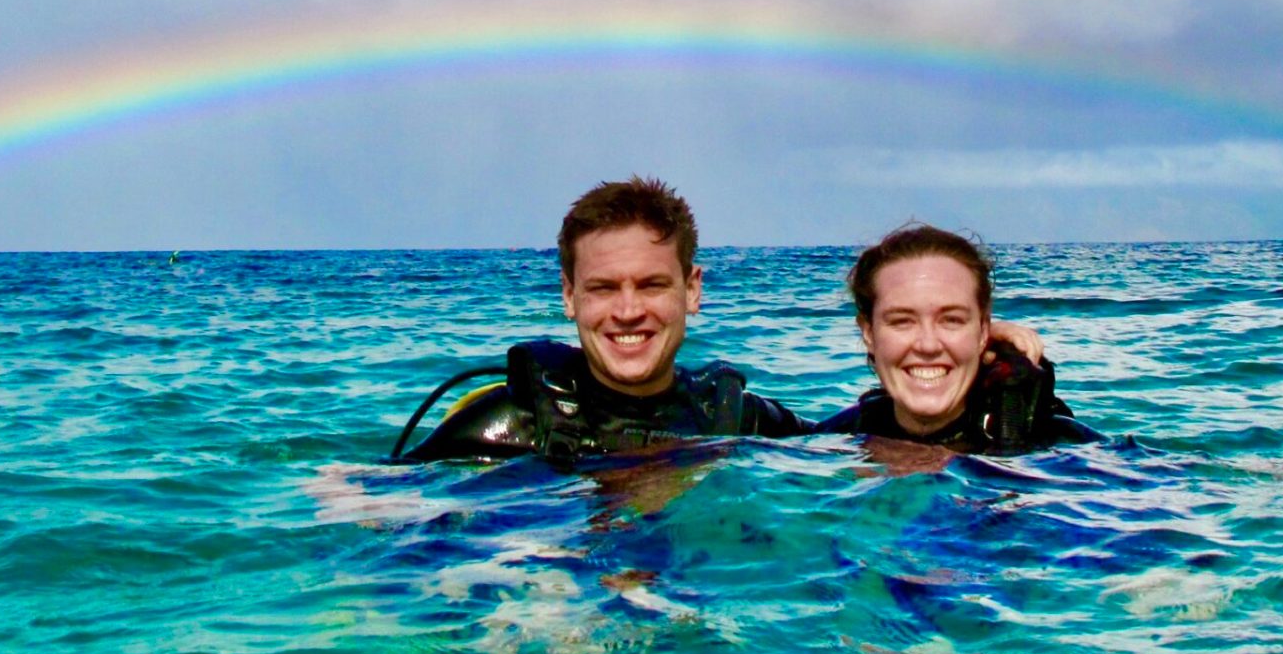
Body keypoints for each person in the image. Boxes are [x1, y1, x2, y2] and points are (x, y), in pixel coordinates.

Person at [396, 180, 1050, 465]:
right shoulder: (501, 425)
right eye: (603, 289)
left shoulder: (741, 421)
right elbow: (368, 515)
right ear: (569, 296)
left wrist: (980, 353)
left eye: (652, 285)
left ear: (693, 290)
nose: (628, 311)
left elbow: (887, 435)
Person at [817, 223, 1091, 451]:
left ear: (984, 330)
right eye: (902, 321)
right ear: (868, 332)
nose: (928, 345)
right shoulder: (835, 440)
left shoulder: (1065, 447)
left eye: (952, 320)